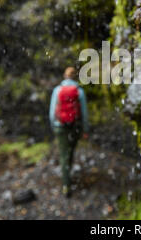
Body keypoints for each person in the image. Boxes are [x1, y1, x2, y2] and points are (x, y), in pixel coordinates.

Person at [49, 67, 88, 197]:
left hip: (60, 127)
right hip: (75, 127)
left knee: (63, 154)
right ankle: (68, 175)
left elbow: (51, 113)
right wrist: (85, 129)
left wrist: (54, 126)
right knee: (70, 151)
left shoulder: (57, 90)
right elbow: (84, 114)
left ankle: (66, 185)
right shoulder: (79, 91)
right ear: (75, 77)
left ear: (65, 76)